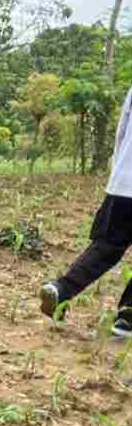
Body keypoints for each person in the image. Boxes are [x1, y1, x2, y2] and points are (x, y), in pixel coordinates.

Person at [40, 85, 132, 336]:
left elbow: (122, 132)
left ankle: (61, 289)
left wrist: (118, 172)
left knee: (106, 246)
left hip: (123, 183)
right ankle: (128, 317)